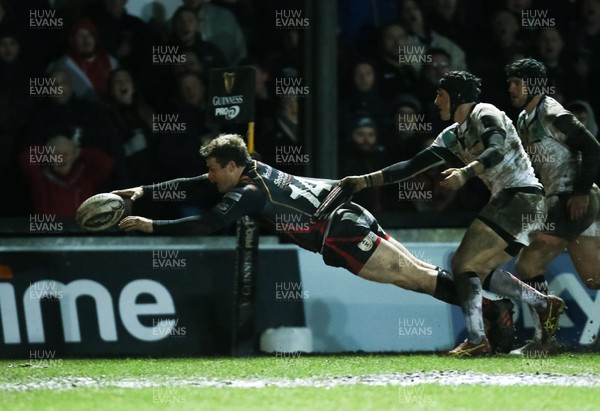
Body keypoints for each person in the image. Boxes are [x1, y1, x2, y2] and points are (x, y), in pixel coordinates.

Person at [113, 134, 474, 342]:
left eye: (213, 170)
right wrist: (143, 191)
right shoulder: (253, 168)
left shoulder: (249, 192)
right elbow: (192, 186)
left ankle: (492, 315)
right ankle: (490, 314)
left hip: (340, 234)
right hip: (351, 214)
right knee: (420, 275)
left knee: (418, 278)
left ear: (232, 168)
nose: (209, 176)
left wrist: (152, 226)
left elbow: (206, 224)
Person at [339, 71, 566, 356]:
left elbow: (495, 149)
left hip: (520, 198)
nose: (435, 102)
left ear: (457, 95)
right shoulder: (451, 136)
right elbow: (410, 167)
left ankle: (477, 339)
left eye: (440, 94)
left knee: (462, 263)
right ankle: (543, 304)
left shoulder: (486, 112)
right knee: (478, 271)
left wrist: (465, 173)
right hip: (521, 204)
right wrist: (364, 180)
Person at [505, 58, 600, 354]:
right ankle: (545, 339)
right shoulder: (524, 119)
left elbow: (592, 146)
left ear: (532, 85)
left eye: (516, 82)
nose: (510, 88)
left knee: (527, 263)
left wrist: (581, 192)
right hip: (563, 202)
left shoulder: (552, 112)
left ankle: (544, 341)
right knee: (594, 277)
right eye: (510, 82)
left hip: (573, 200)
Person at [19, 135, 115, 218]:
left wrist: (79, 152)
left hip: (82, 231)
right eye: (56, 154)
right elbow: (25, 158)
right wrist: (47, 151)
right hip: (50, 232)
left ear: (75, 155)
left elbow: (106, 163)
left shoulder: (85, 176)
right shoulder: (41, 178)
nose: (61, 158)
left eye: (66, 154)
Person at [47, 18, 119, 102]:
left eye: (89, 35)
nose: (86, 39)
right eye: (80, 36)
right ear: (73, 39)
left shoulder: (112, 62)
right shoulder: (63, 66)